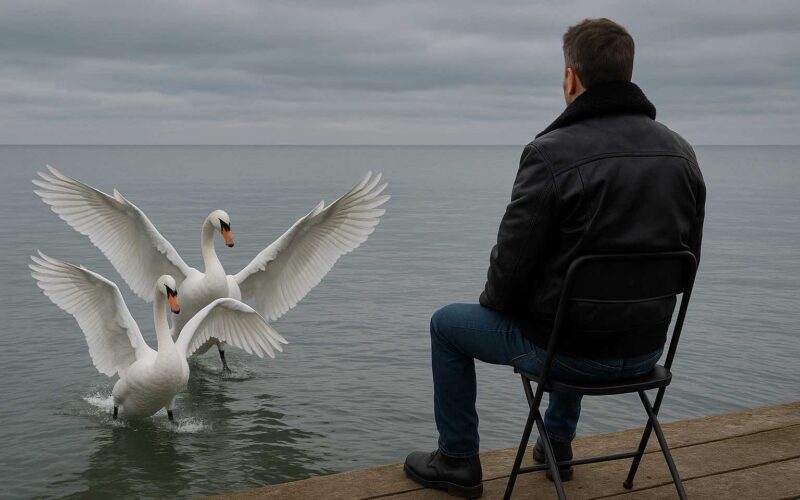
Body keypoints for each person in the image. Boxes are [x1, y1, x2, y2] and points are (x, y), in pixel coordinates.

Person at [403, 18, 706, 498]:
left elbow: (510, 271)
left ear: (571, 78)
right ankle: (557, 444)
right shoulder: (682, 154)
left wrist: (499, 303)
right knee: (577, 304)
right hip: (648, 351)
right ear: (628, 74)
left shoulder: (550, 154)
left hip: (570, 356)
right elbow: (688, 262)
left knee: (448, 325)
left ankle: (458, 460)